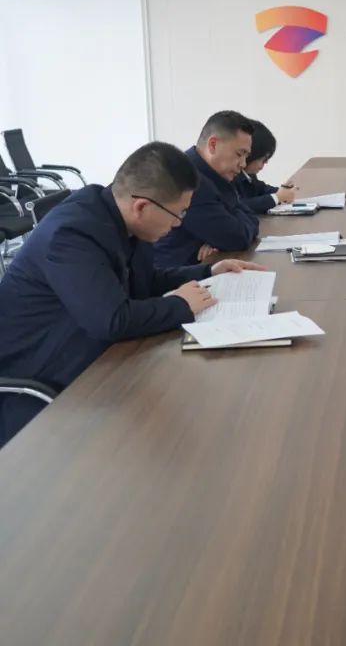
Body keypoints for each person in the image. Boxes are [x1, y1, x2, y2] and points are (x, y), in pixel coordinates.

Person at [0, 141, 264, 445]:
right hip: (38, 383)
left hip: (93, 357)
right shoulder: (72, 235)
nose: (178, 224)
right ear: (142, 207)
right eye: (178, 213)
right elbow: (112, 320)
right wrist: (181, 304)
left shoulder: (119, 217)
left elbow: (147, 279)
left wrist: (207, 272)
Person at [154, 110, 259, 266]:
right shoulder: (188, 178)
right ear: (213, 145)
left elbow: (249, 218)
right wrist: (222, 235)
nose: (243, 164)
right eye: (239, 154)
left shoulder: (213, 172)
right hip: (174, 274)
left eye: (246, 156)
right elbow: (238, 237)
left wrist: (216, 238)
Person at [234, 120, 298, 214]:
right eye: (264, 159)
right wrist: (277, 197)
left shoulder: (249, 175)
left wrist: (283, 191)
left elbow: (262, 189)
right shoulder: (231, 175)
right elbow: (240, 206)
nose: (266, 162)